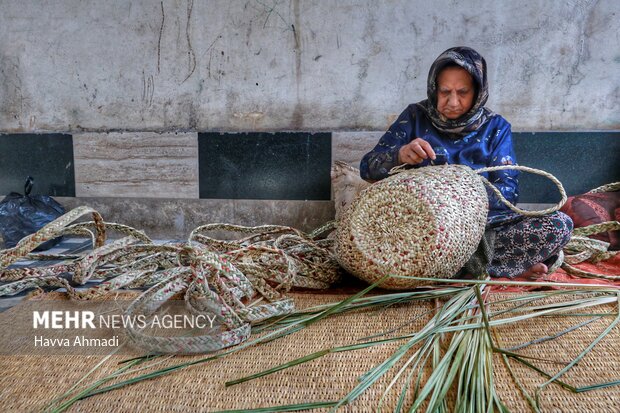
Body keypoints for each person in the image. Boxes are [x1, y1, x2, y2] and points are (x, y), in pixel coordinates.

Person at [360, 46, 573, 279]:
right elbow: (367, 168)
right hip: (421, 228)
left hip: (478, 230)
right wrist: (400, 155)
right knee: (383, 235)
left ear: (478, 91)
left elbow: (508, 194)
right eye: (444, 92)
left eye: (462, 92)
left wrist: (457, 201)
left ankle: (447, 267)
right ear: (433, 88)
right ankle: (495, 267)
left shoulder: (496, 127)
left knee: (559, 225)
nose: (453, 101)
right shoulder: (414, 117)